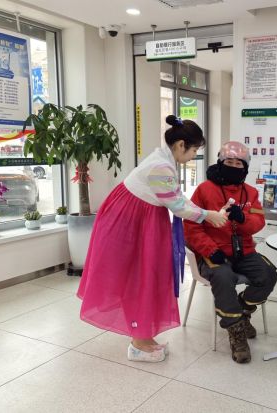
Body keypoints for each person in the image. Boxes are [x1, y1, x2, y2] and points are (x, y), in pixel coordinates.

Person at [77, 115, 227, 363]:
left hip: (139, 219)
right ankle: (138, 342)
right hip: (130, 222)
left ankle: (142, 336)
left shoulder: (163, 161)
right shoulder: (161, 167)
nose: (194, 156)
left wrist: (205, 213)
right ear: (181, 145)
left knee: (145, 276)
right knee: (139, 278)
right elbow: (178, 206)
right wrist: (208, 215)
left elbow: (177, 198)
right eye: (194, 150)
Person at [184, 141, 277, 364]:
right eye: (229, 162)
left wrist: (243, 218)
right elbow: (191, 226)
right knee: (223, 277)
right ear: (220, 162)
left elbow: (258, 222)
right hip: (214, 253)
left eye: (239, 164)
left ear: (245, 168)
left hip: (244, 251)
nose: (234, 167)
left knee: (268, 274)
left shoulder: (251, 193)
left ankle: (243, 311)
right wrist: (210, 250)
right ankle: (236, 331)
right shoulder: (204, 190)